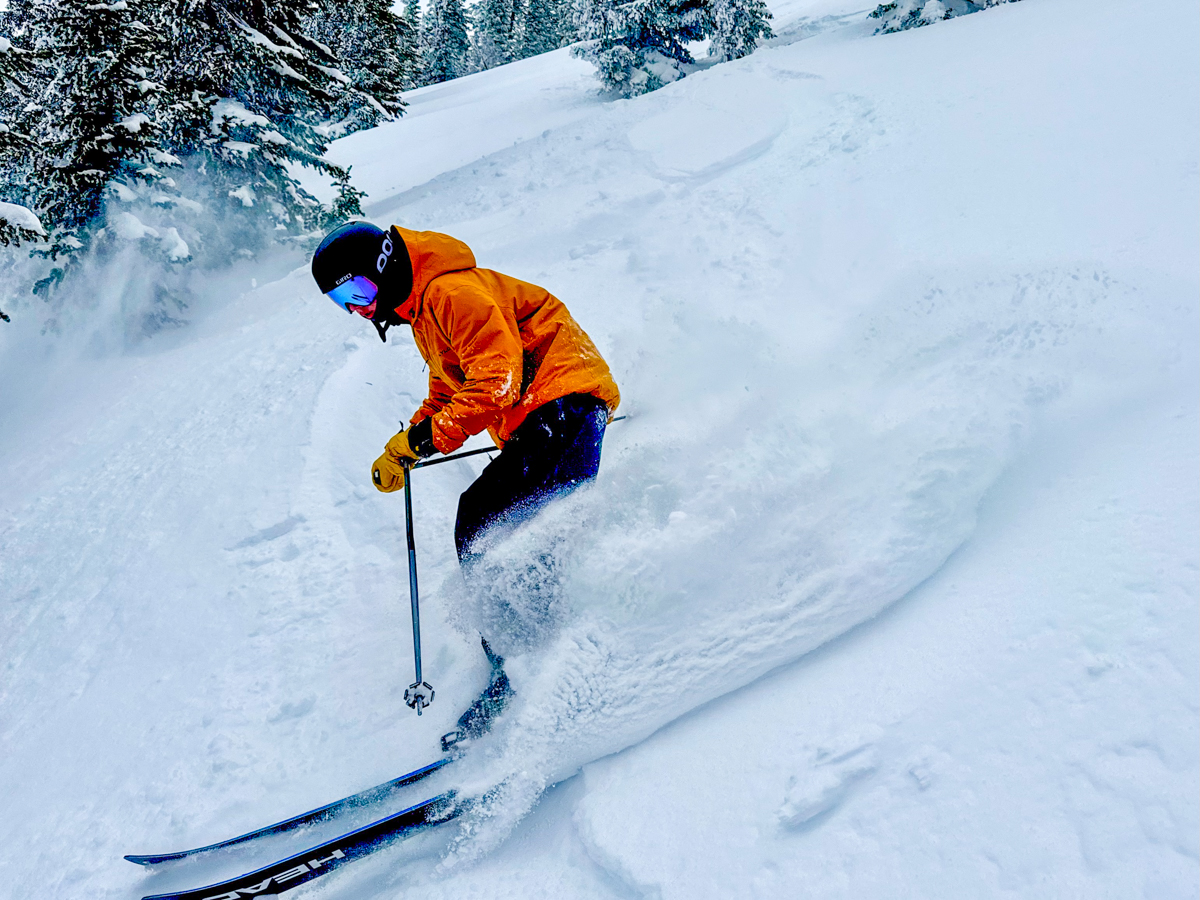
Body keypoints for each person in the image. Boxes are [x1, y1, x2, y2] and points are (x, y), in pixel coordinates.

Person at [310, 221, 620, 746]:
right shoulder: (427, 311)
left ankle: (526, 665)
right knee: (504, 525)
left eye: (358, 291)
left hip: (563, 405)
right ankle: (530, 660)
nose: (358, 309)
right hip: (555, 411)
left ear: (384, 267)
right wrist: (405, 442)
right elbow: (448, 391)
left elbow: (496, 382)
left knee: (488, 522)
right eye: (343, 303)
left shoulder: (452, 294)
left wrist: (423, 441)